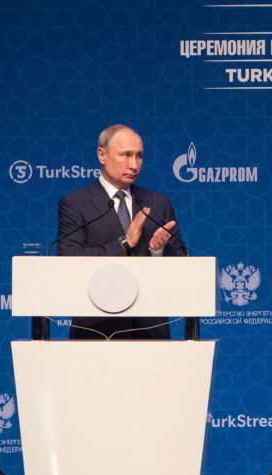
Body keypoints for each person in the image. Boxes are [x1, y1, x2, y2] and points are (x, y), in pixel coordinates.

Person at [57, 124, 184, 339]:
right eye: (125, 155)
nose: (134, 165)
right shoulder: (75, 203)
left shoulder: (159, 203)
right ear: (102, 155)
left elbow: (182, 261)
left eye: (139, 156)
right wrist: (124, 243)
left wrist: (158, 251)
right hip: (96, 327)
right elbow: (68, 258)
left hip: (150, 329)